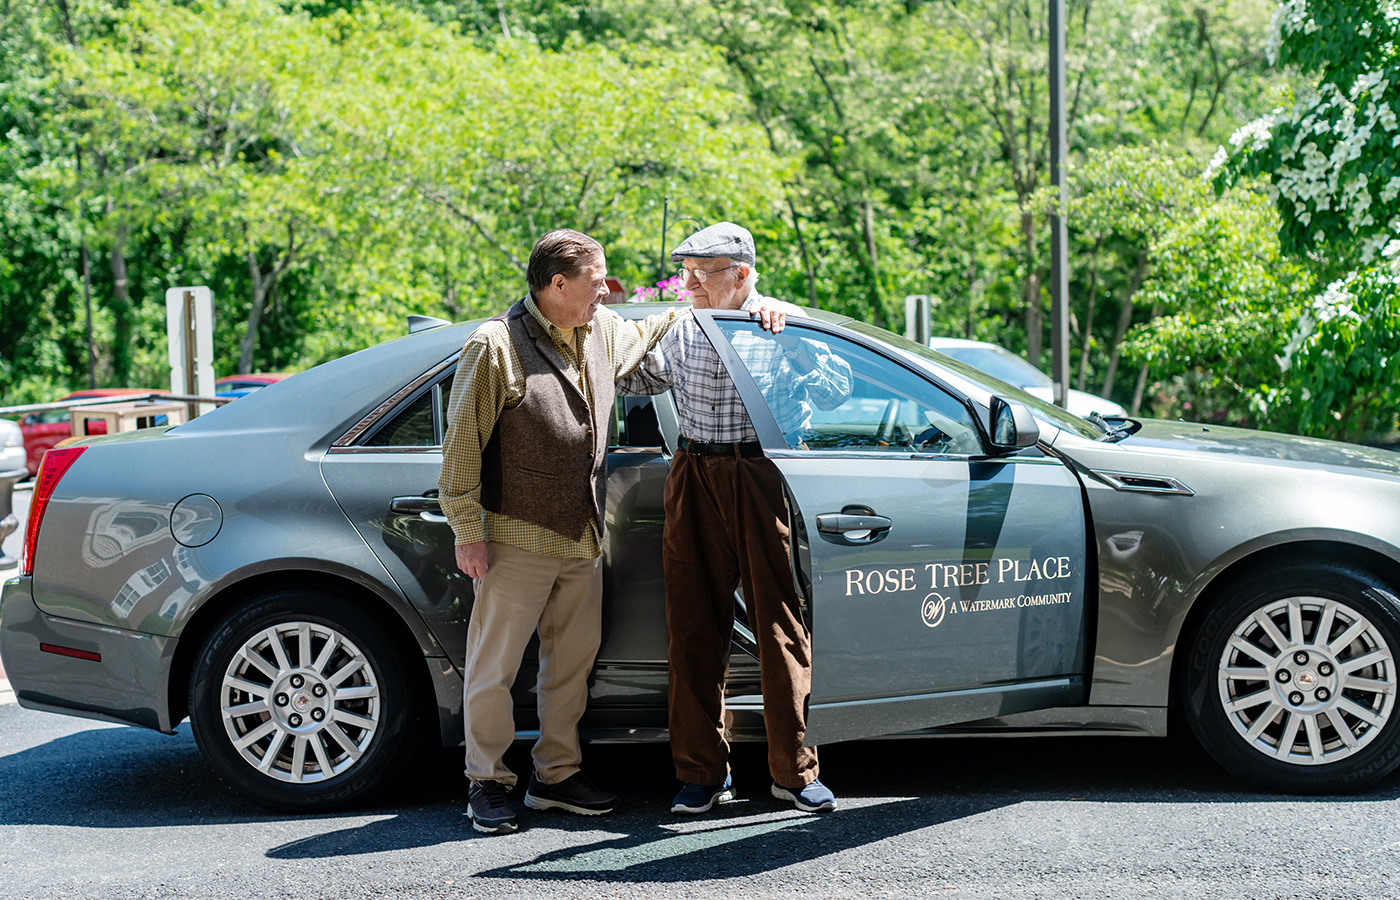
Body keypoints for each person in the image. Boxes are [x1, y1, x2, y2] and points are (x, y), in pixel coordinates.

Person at [440, 228, 785, 835]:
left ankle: (556, 776)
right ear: (557, 285)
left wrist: (757, 303)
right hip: (515, 535)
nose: (608, 291)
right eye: (598, 281)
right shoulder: (495, 345)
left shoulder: (600, 330)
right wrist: (468, 529)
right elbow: (462, 447)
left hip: (582, 536)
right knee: (494, 666)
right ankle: (487, 782)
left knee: (569, 667)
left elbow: (665, 327)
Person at [617, 222, 852, 815]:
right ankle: (702, 773)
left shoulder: (782, 320)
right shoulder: (684, 324)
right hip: (692, 473)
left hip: (761, 476)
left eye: (702, 273)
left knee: (779, 624)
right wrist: (604, 336)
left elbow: (837, 391)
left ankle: (794, 773)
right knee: (693, 626)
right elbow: (636, 379)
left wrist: (792, 342)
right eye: (685, 271)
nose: (688, 283)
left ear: (742, 275)